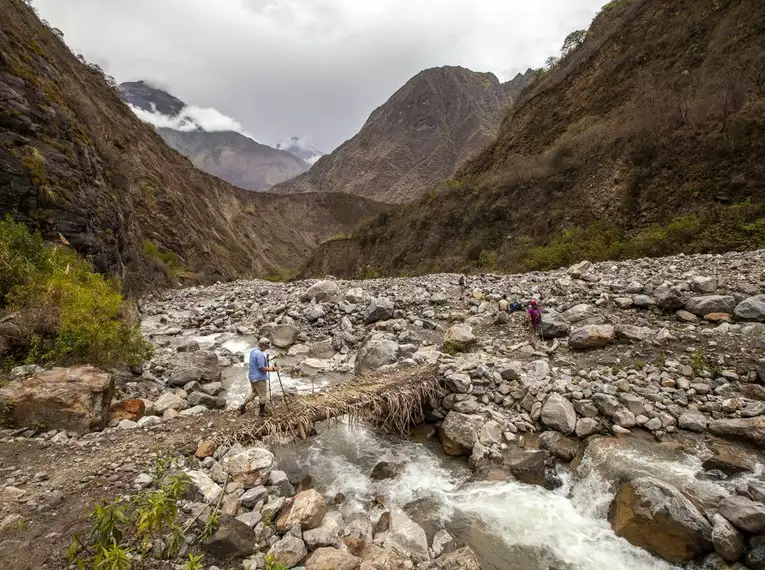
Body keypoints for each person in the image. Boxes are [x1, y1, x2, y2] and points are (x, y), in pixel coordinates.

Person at [239, 337, 278, 416]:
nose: (266, 349)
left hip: (252, 376)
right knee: (263, 395)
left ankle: (242, 406)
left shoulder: (253, 351)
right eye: (266, 347)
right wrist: (273, 369)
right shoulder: (259, 354)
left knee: (254, 392)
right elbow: (262, 368)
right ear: (263, 345)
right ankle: (262, 412)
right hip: (259, 378)